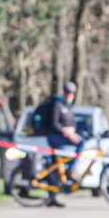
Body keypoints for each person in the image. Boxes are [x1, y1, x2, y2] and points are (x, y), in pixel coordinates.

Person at [34, 79, 81, 207]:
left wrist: (72, 131)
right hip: (54, 137)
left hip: (64, 136)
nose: (70, 94)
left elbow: (72, 122)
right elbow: (54, 123)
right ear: (64, 92)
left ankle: (52, 197)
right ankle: (71, 169)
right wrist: (66, 132)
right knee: (80, 144)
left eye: (72, 92)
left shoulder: (69, 106)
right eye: (68, 92)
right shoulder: (57, 105)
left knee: (55, 167)